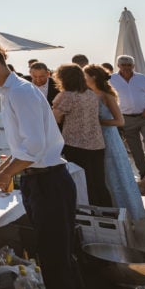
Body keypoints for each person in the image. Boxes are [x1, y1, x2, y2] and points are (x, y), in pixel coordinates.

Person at [0, 45, 95, 289]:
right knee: (59, 257)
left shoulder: (20, 93)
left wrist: (3, 175)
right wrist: (2, 168)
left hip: (48, 183)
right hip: (37, 180)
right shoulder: (11, 92)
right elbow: (23, 146)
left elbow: (35, 147)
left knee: (55, 263)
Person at [83, 65, 145, 221]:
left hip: (109, 139)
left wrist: (97, 122)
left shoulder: (106, 96)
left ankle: (128, 213)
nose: (83, 78)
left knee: (116, 173)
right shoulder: (88, 94)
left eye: (85, 75)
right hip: (95, 140)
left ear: (94, 77)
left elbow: (119, 121)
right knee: (104, 176)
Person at [52, 65, 110, 207]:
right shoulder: (90, 94)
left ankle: (91, 215)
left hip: (76, 144)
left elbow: (55, 119)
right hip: (96, 143)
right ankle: (108, 214)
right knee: (99, 182)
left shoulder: (66, 95)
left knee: (84, 183)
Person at [108, 55, 145, 175]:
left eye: (129, 65)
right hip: (126, 118)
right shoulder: (111, 80)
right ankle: (143, 172)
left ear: (133, 66)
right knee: (135, 148)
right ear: (118, 66)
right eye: (123, 65)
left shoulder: (143, 78)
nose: (126, 67)